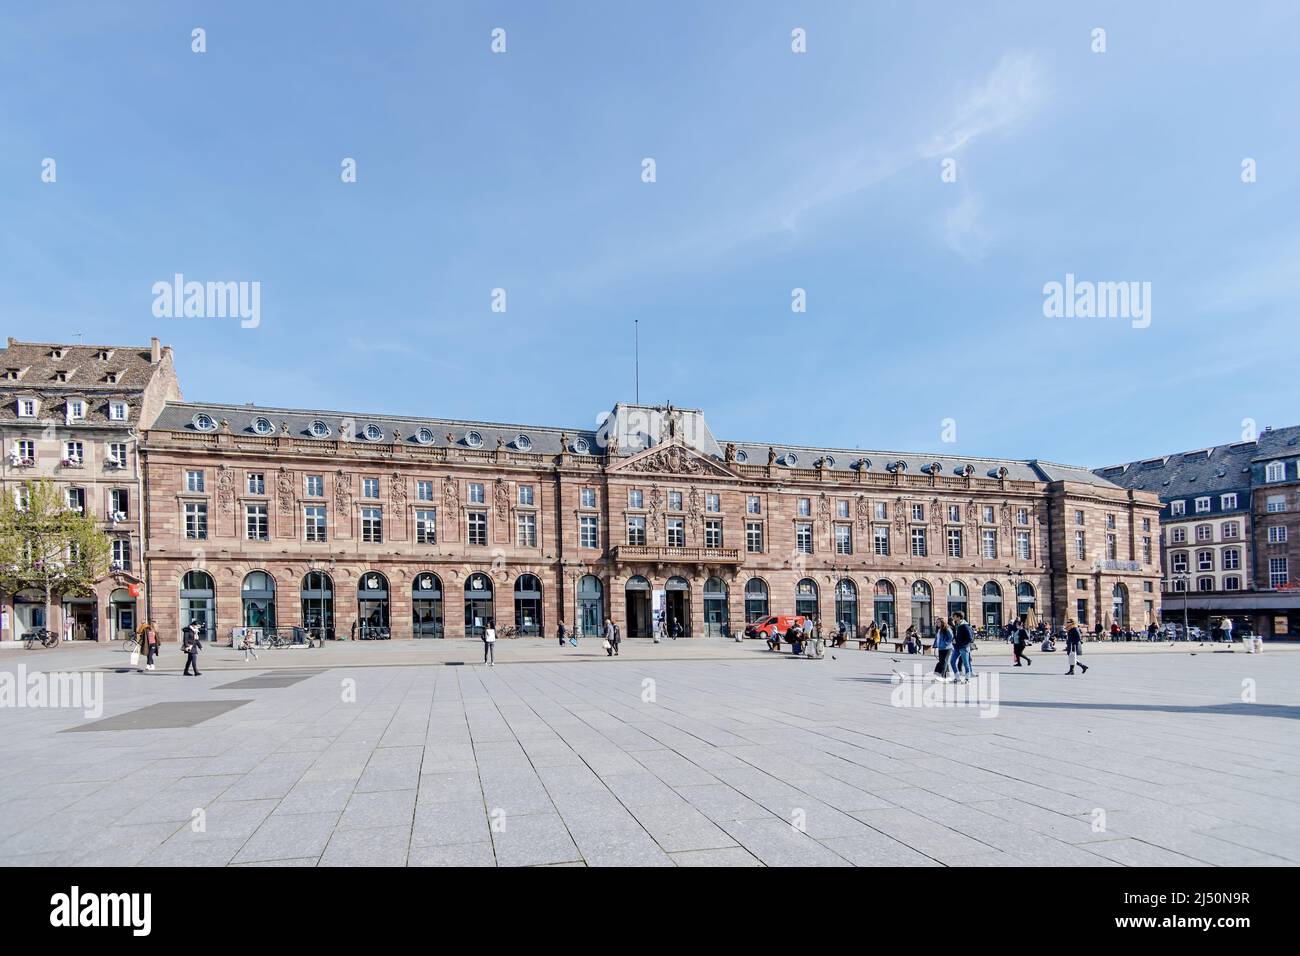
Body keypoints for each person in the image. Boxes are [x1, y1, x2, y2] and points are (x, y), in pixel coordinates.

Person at [951, 612, 975, 683]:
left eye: (954, 616)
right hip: (957, 647)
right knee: (952, 661)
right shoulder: (957, 625)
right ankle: (957, 677)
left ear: (959, 617)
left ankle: (967, 679)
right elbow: (957, 636)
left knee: (966, 663)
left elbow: (970, 638)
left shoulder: (965, 626)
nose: (953, 618)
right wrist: (954, 640)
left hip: (964, 647)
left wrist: (962, 644)